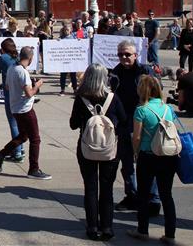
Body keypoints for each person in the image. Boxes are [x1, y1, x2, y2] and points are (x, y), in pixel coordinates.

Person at [69, 63, 126, 241]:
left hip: (87, 148)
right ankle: (107, 226)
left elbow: (72, 124)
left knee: (91, 187)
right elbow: (124, 120)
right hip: (110, 149)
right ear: (104, 78)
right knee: (107, 188)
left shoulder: (81, 98)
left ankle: (92, 226)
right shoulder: (113, 98)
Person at [110, 40, 160, 213]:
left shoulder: (145, 71)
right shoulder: (115, 73)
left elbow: (158, 94)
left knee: (148, 162)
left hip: (145, 124)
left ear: (136, 55)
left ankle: (153, 200)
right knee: (127, 163)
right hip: (124, 124)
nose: (124, 57)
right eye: (121, 54)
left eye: (127, 54)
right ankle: (132, 196)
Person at [127, 76, 179, 243]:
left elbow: (136, 136)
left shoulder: (142, 110)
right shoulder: (168, 108)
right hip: (167, 155)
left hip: (148, 155)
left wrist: (135, 152)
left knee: (143, 194)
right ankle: (170, 234)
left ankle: (143, 230)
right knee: (166, 195)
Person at [0, 46, 51, 180]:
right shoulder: (22, 72)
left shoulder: (12, 68)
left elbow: (7, 86)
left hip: (15, 108)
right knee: (35, 139)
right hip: (25, 109)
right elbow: (29, 93)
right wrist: (37, 85)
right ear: (30, 59)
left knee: (24, 136)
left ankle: (0, 155)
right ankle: (33, 169)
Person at [0, 38, 24, 162]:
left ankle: (17, 152)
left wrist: (1, 56)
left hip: (9, 94)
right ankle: (20, 148)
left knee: (13, 124)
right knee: (19, 122)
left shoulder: (4, 57)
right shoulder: (17, 58)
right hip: (19, 93)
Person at [59, 24, 78, 96]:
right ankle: (62, 90)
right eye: (65, 30)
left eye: (67, 30)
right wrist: (57, 41)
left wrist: (79, 41)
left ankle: (75, 89)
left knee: (73, 75)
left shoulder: (73, 38)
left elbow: (78, 46)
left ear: (70, 30)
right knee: (63, 75)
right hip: (64, 60)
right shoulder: (61, 38)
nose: (66, 31)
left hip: (71, 60)